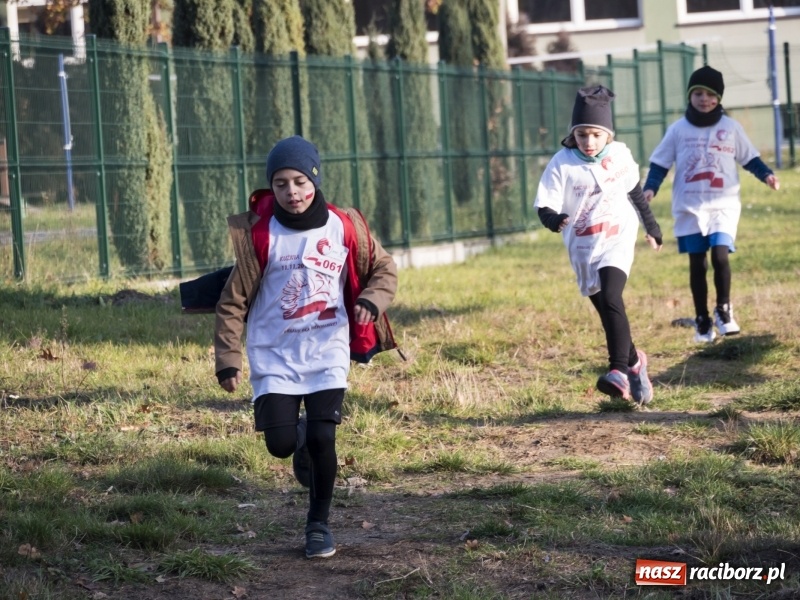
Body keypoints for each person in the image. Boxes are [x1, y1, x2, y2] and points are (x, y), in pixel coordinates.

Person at [214, 135, 399, 559]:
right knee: (280, 443)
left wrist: (371, 300)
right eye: (280, 184)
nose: (292, 192)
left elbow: (383, 268)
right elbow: (232, 302)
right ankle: (295, 440)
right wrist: (228, 359)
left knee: (323, 438)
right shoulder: (260, 234)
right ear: (271, 187)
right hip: (273, 352)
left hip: (326, 348)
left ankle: (318, 524)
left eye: (299, 181)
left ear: (314, 178)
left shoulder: (343, 225)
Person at [534, 85, 663, 405]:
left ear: (608, 135)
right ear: (573, 135)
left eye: (595, 135)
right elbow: (544, 204)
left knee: (613, 295)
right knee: (607, 309)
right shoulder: (562, 163)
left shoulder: (620, 155)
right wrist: (553, 219)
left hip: (617, 236)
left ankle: (618, 371)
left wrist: (652, 227)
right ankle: (634, 362)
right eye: (582, 135)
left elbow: (635, 193)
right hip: (582, 246)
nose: (588, 142)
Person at [643, 65, 780, 343]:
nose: (704, 99)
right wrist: (650, 188)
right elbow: (660, 162)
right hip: (690, 207)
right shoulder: (678, 130)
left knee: (720, 256)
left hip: (723, 205)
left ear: (719, 98)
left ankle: (724, 310)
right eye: (698, 93)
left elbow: (749, 158)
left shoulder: (730, 128)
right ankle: (702, 320)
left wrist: (766, 174)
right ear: (690, 96)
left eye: (710, 94)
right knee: (698, 264)